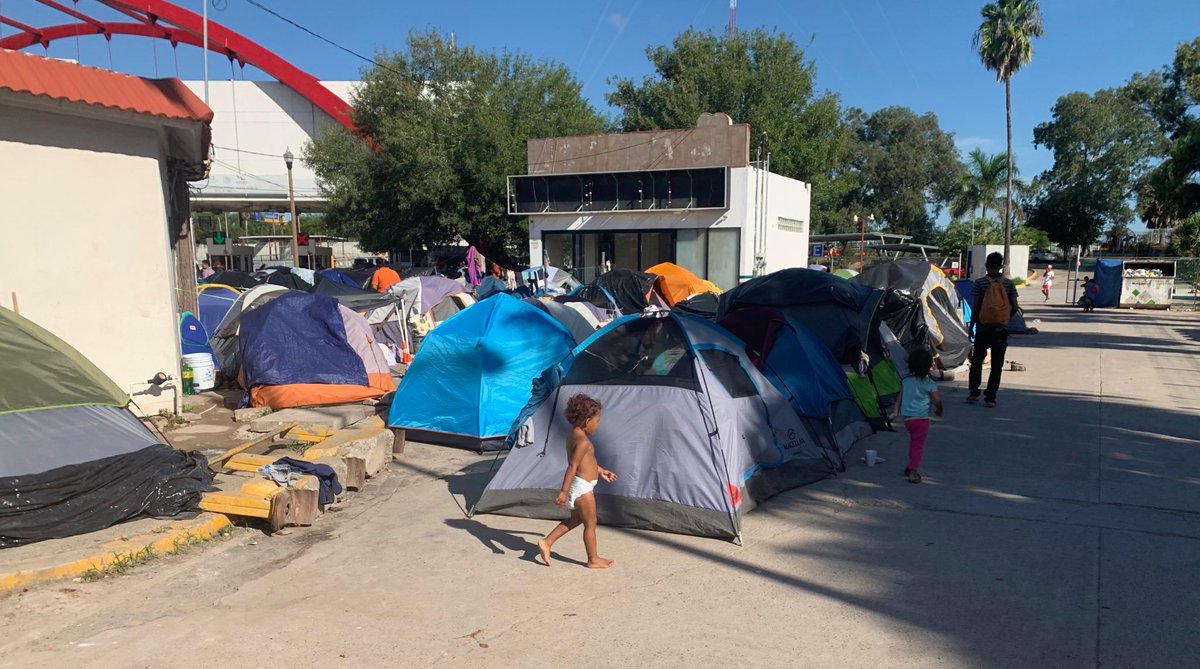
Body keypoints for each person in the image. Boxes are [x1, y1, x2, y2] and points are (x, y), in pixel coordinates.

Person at [537, 394, 617, 569]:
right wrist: (564, 492)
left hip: (581, 485)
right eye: (597, 420)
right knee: (591, 522)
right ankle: (593, 559)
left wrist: (601, 471)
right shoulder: (583, 442)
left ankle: (546, 542)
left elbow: (585, 463)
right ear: (587, 420)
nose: (598, 425)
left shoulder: (573, 435)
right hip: (582, 488)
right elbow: (572, 466)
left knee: (575, 520)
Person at [968, 252, 1019, 408]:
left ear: (986, 265)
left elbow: (976, 307)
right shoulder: (1009, 284)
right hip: (1000, 330)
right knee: (997, 365)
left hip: (983, 329)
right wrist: (1005, 321)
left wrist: (971, 327)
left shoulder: (979, 283)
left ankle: (974, 394)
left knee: (977, 361)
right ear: (1002, 265)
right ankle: (991, 398)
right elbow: (1015, 307)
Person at [890, 349, 943, 484]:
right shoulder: (929, 384)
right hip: (921, 420)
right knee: (917, 445)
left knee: (913, 443)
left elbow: (900, 397)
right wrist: (939, 410)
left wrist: (895, 411)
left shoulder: (906, 381)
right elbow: (937, 400)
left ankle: (910, 466)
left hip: (908, 420)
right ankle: (913, 472)